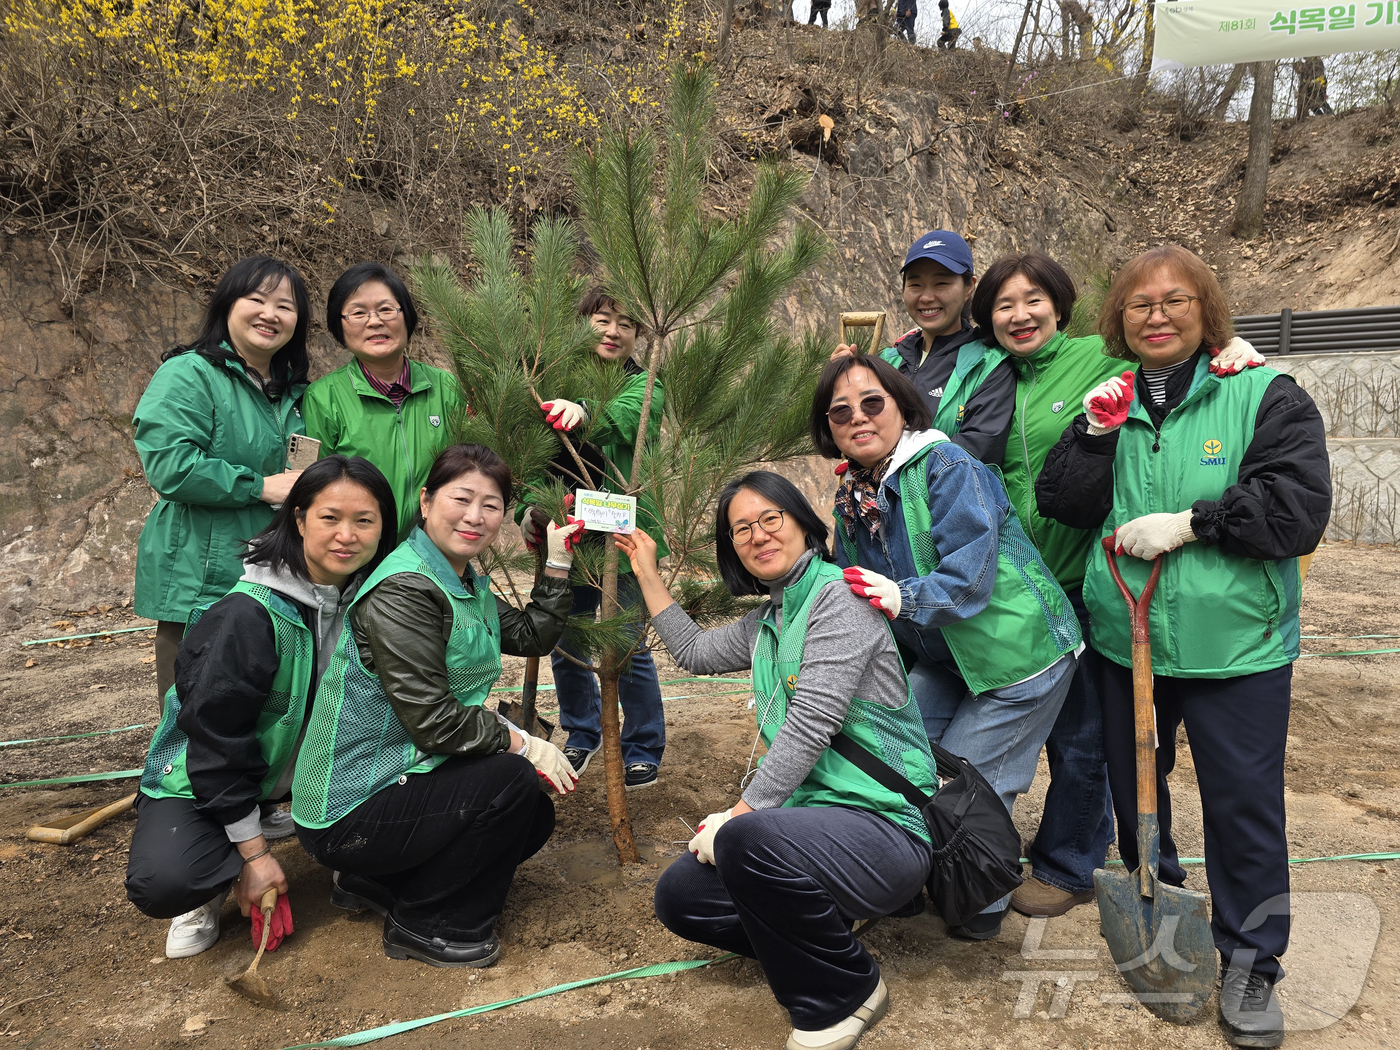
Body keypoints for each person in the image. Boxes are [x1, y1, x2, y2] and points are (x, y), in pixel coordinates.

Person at [1035, 245, 1331, 1048]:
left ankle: (1252, 962)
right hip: (1125, 643)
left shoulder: (1265, 393)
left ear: (1207, 312)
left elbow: (1296, 511)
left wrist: (1195, 521)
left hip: (1237, 649)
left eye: (1176, 301)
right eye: (1139, 305)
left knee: (1243, 811)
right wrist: (1095, 435)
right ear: (1118, 321)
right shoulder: (1109, 403)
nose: (1157, 315)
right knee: (1139, 801)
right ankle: (1161, 917)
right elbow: (1060, 502)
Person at [969, 253, 1266, 919]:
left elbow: (1171, 357)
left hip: (1085, 577)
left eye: (1032, 300)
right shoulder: (987, 374)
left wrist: (1229, 348)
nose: (1019, 315)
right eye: (1003, 305)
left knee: (1082, 738)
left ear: (1061, 304)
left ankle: (1070, 862)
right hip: (1012, 585)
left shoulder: (1098, 359)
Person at [621, 472, 935, 1050]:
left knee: (745, 840)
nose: (759, 535)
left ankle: (844, 997)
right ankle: (826, 931)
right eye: (742, 528)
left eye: (772, 519)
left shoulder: (841, 599)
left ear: (803, 525)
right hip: (817, 828)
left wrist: (739, 814)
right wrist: (646, 570)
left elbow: (813, 722)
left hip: (885, 828)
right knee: (682, 897)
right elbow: (691, 652)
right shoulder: (768, 621)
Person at [813, 353, 1081, 941]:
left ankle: (979, 899)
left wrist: (900, 596)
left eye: (872, 403)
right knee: (900, 756)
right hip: (943, 653)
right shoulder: (855, 496)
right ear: (828, 431)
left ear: (903, 407)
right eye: (840, 413)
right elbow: (850, 588)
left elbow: (970, 576)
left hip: (1017, 652)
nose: (858, 418)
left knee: (967, 781)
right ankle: (911, 876)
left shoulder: (947, 466)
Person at [292, 444, 584, 968]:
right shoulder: (405, 588)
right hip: (347, 808)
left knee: (530, 813)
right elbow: (433, 721)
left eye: (491, 505)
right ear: (426, 502)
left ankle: (377, 881)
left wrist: (558, 562)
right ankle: (427, 924)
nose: (475, 517)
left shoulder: (461, 579)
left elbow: (529, 633)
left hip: (401, 779)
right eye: (461, 498)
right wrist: (524, 742)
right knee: (511, 783)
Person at [126, 456, 397, 959]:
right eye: (329, 518)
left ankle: (298, 822)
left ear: (384, 529)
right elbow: (213, 743)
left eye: (365, 521)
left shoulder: (372, 602)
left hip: (304, 777)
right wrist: (253, 854)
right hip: (205, 778)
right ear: (298, 519)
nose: (347, 535)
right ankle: (216, 867)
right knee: (166, 880)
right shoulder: (246, 616)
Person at [133, 256, 311, 711]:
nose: (270, 314)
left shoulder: (297, 393)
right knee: (193, 710)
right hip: (204, 574)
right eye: (256, 300)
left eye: (285, 306)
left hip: (277, 572)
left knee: (263, 709)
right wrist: (259, 486)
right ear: (227, 305)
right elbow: (171, 465)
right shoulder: (190, 373)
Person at [522, 288, 668, 790]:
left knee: (628, 645)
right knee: (566, 639)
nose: (613, 331)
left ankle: (643, 747)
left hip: (622, 542)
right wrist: (527, 510)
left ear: (637, 337)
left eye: (626, 324)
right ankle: (582, 735)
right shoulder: (549, 384)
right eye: (603, 319)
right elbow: (529, 458)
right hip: (565, 538)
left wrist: (584, 409)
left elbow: (626, 418)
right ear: (581, 323)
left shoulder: (645, 386)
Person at [302, 262, 466, 543]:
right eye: (357, 313)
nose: (375, 321)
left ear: (407, 316)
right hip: (360, 550)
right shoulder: (323, 397)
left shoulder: (446, 387)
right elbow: (317, 488)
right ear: (338, 327)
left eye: (387, 309)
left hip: (435, 550)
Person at [833, 231, 1014, 465]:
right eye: (916, 284)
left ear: (969, 286)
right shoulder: (888, 361)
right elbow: (847, 436)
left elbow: (975, 451)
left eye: (941, 283)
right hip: (873, 499)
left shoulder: (989, 364)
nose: (927, 297)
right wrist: (840, 388)